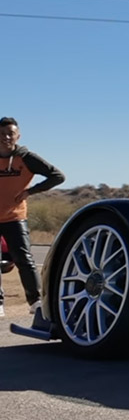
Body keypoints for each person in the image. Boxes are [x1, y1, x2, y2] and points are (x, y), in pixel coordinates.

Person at [0, 117, 65, 318]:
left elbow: (57, 176)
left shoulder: (26, 158)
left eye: (10, 133)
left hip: (15, 217)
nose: (6, 137)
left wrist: (31, 191)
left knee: (24, 260)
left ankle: (35, 302)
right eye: (2, 134)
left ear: (17, 135)